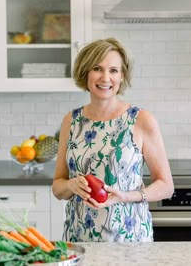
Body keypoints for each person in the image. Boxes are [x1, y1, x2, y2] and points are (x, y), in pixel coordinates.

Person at [52, 37, 174, 242]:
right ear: (85, 72)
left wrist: (126, 196)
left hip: (130, 240)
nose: (105, 77)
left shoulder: (141, 120)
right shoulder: (71, 121)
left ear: (122, 76)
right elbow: (58, 186)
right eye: (97, 68)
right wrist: (71, 186)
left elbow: (166, 186)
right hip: (79, 238)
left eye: (114, 70)